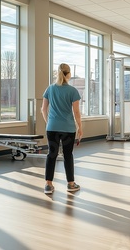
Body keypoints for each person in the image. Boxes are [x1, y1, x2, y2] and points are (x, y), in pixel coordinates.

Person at [41, 63, 83, 194]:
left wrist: (49, 122)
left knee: (51, 154)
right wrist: (80, 127)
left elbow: (43, 109)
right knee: (68, 155)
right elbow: (76, 112)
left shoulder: (50, 89)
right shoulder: (72, 91)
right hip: (68, 129)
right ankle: (71, 184)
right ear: (68, 74)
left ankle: (48, 184)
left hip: (52, 128)